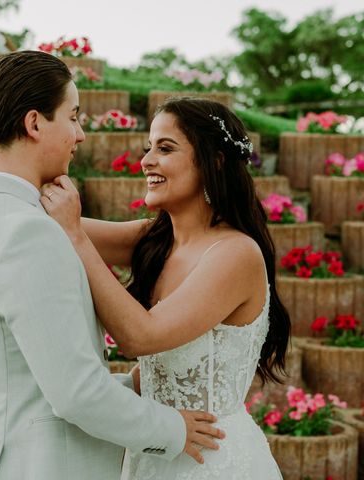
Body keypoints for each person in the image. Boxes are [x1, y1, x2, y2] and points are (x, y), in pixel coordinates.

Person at [0, 53, 224, 480]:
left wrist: (136, 389)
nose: (81, 134)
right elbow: (74, 395)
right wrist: (173, 429)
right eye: (72, 117)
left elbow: (20, 372)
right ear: (34, 124)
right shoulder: (30, 233)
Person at [41, 97, 289, 479]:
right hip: (156, 450)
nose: (146, 161)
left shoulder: (236, 254)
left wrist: (75, 237)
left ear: (215, 162)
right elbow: (46, 222)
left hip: (213, 461)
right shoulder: (156, 239)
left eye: (166, 148)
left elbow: (141, 336)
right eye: (148, 148)